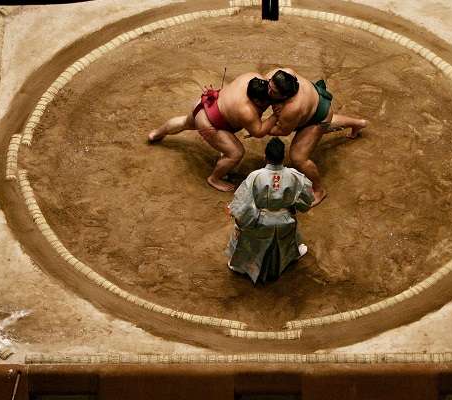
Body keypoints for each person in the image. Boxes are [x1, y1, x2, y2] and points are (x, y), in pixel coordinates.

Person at [147, 72, 278, 191]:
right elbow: (258, 132)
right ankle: (214, 178)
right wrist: (275, 116)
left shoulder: (252, 77)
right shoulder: (247, 111)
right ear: (256, 100)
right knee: (236, 153)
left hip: (206, 102)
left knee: (184, 122)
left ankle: (156, 134)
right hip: (209, 124)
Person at [265, 68, 368, 206]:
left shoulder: (292, 108)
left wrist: (259, 128)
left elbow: (283, 131)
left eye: (273, 92)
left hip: (317, 118)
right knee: (327, 118)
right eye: (269, 85)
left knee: (298, 157)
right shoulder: (279, 74)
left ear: (284, 97)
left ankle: (319, 190)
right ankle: (359, 123)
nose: (268, 91)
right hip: (317, 103)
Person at [226, 137, 314, 284]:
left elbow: (244, 205)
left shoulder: (255, 176)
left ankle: (242, 267)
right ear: (283, 157)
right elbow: (307, 198)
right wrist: (293, 206)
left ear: (265, 156)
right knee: (288, 236)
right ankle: (290, 257)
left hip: (260, 222)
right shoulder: (295, 175)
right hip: (286, 221)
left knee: (244, 233)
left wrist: (239, 217)